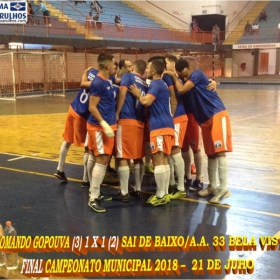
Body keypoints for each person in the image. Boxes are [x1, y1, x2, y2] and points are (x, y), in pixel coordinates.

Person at [165, 59, 232, 204]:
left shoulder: (197, 74)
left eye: (184, 75)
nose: (184, 78)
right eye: (181, 76)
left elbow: (182, 89)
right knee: (210, 153)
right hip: (205, 120)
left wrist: (174, 75)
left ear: (189, 69)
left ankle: (224, 188)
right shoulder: (185, 82)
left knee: (220, 151)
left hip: (217, 114)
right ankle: (213, 186)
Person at [129, 60, 175, 207]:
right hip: (167, 125)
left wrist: (137, 94)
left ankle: (160, 195)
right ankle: (165, 193)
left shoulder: (156, 84)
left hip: (159, 126)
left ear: (154, 71)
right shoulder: (162, 84)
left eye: (148, 68)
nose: (146, 71)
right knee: (165, 161)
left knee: (158, 161)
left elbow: (146, 101)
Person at [54, 67, 98, 185]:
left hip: (73, 108)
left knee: (67, 140)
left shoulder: (92, 72)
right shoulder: (101, 81)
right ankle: (85, 180)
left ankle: (60, 168)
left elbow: (83, 81)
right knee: (87, 147)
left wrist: (85, 71)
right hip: (83, 115)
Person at [87, 53, 118, 213]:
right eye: (114, 64)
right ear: (107, 66)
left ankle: (96, 192)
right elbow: (92, 107)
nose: (115, 67)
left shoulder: (109, 81)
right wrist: (104, 123)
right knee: (102, 159)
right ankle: (93, 198)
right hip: (99, 128)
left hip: (108, 126)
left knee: (104, 160)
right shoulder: (98, 82)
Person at [114, 60, 148, 202]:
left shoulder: (128, 77)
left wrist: (117, 113)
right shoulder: (146, 83)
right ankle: (138, 189)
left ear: (133, 68)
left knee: (123, 157)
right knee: (138, 157)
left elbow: (122, 94)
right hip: (140, 122)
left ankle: (124, 192)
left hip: (127, 120)